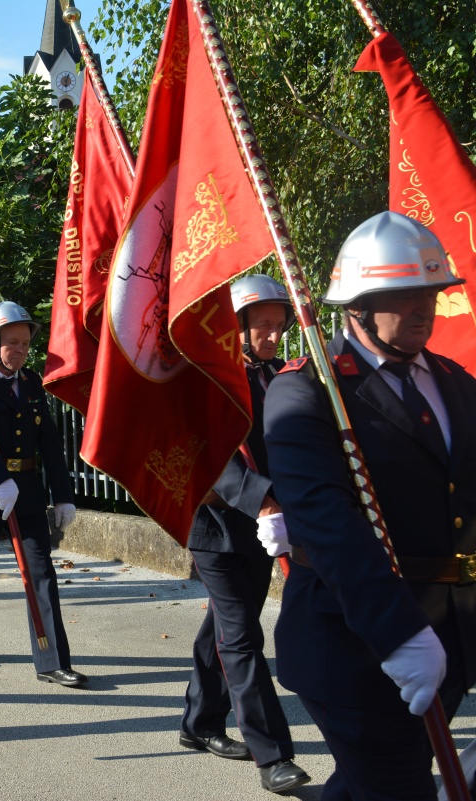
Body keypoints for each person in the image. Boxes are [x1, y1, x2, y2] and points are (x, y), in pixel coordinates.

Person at [265, 211, 476, 801]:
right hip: (356, 644)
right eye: (401, 296)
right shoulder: (308, 390)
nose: (422, 308)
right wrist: (399, 634)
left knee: (376, 784)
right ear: (356, 306)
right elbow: (326, 521)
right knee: (395, 785)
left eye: (429, 293)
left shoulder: (456, 382)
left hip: (450, 633)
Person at [179, 275, 310, 794]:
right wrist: (265, 500)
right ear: (234, 328)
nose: (274, 337)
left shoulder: (278, 376)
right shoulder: (206, 379)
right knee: (242, 637)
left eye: (280, 327)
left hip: (265, 527)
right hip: (217, 528)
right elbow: (209, 458)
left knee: (225, 630)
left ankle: (198, 722)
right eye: (264, 327)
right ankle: (272, 753)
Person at [0, 301, 85, 689]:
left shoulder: (32, 382)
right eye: (12, 343)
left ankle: (52, 660)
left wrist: (64, 494)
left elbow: (50, 442)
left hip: (25, 490)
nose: (20, 350)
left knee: (41, 571)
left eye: (25, 343)